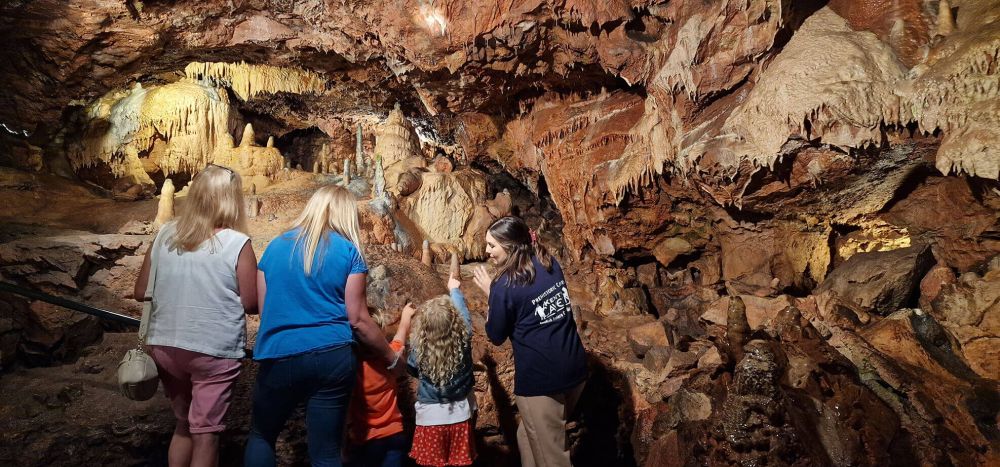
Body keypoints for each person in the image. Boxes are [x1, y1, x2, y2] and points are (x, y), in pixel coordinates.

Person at [244, 185, 397, 467]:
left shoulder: (274, 248)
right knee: (326, 452)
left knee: (262, 435)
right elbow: (359, 319)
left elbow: (266, 313)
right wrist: (391, 356)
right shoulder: (349, 251)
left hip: (280, 354)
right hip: (332, 355)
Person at [133, 163, 258, 467]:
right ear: (230, 199)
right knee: (206, 434)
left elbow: (140, 292)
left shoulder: (165, 234)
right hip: (212, 350)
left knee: (183, 425)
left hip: (165, 345)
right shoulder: (236, 243)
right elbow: (251, 302)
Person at [473, 216, 587, 467]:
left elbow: (496, 335)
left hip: (542, 381)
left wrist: (491, 294)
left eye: (492, 245)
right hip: (574, 369)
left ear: (510, 246)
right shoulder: (548, 263)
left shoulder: (504, 285)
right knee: (527, 437)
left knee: (553, 459)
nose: (487, 251)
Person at [406, 275, 477, 467]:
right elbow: (463, 315)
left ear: (423, 329)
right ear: (456, 326)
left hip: (430, 421)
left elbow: (411, 368)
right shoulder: (463, 340)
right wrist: (454, 290)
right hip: (460, 417)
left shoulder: (419, 350)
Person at [344, 303, 417, 467]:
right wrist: (405, 316)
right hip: (394, 435)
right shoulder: (390, 360)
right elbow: (400, 336)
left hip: (364, 439)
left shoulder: (351, 370)